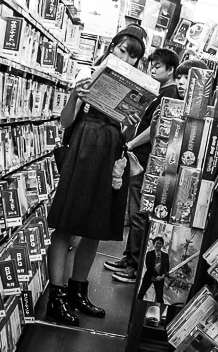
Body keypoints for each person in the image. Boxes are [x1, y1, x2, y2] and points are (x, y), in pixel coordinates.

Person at [46, 25, 147, 326]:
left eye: (133, 56)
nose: (126, 58)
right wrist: (74, 96)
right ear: (111, 46)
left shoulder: (132, 88)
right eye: (122, 50)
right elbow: (65, 122)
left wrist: (132, 121)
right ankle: (57, 295)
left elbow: (125, 134)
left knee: (94, 228)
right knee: (66, 226)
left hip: (110, 154)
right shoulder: (85, 74)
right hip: (83, 151)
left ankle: (79, 291)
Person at [104, 48, 180, 282]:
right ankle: (129, 257)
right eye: (152, 65)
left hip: (148, 159)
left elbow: (155, 129)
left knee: (139, 214)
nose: (153, 69)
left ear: (171, 69)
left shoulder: (171, 95)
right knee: (134, 209)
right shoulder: (158, 92)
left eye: (158, 66)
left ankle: (135, 266)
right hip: (142, 157)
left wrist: (131, 144)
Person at [138, 236, 170, 304]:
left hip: (160, 279)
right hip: (149, 277)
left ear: (162, 245)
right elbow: (149, 267)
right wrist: (156, 276)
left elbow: (167, 267)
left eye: (160, 243)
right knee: (141, 294)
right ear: (154, 243)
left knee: (160, 298)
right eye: (157, 243)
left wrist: (163, 275)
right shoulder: (149, 254)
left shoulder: (165, 255)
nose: (158, 245)